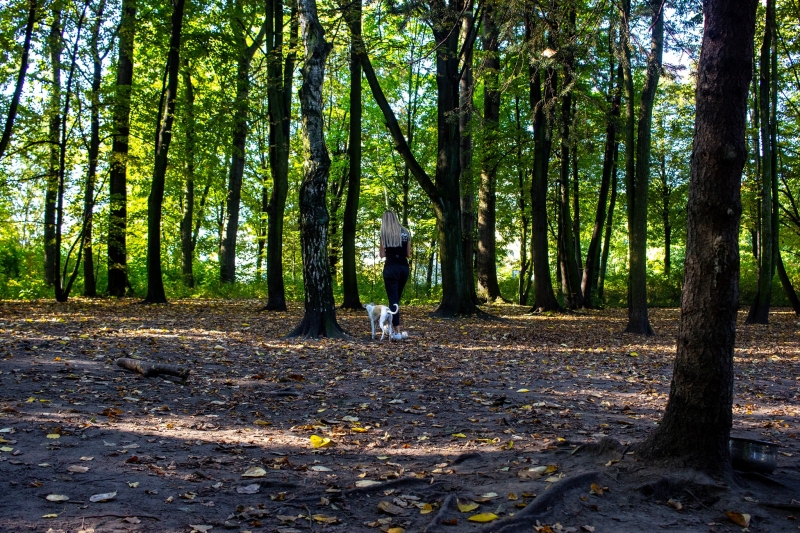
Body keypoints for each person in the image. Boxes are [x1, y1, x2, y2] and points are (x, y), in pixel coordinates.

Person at [379, 210, 411, 340]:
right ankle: (392, 327)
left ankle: (397, 332)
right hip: (404, 267)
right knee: (396, 300)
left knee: (393, 301)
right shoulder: (405, 232)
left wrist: (388, 251)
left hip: (391, 267)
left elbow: (382, 255)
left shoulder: (384, 233)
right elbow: (408, 254)